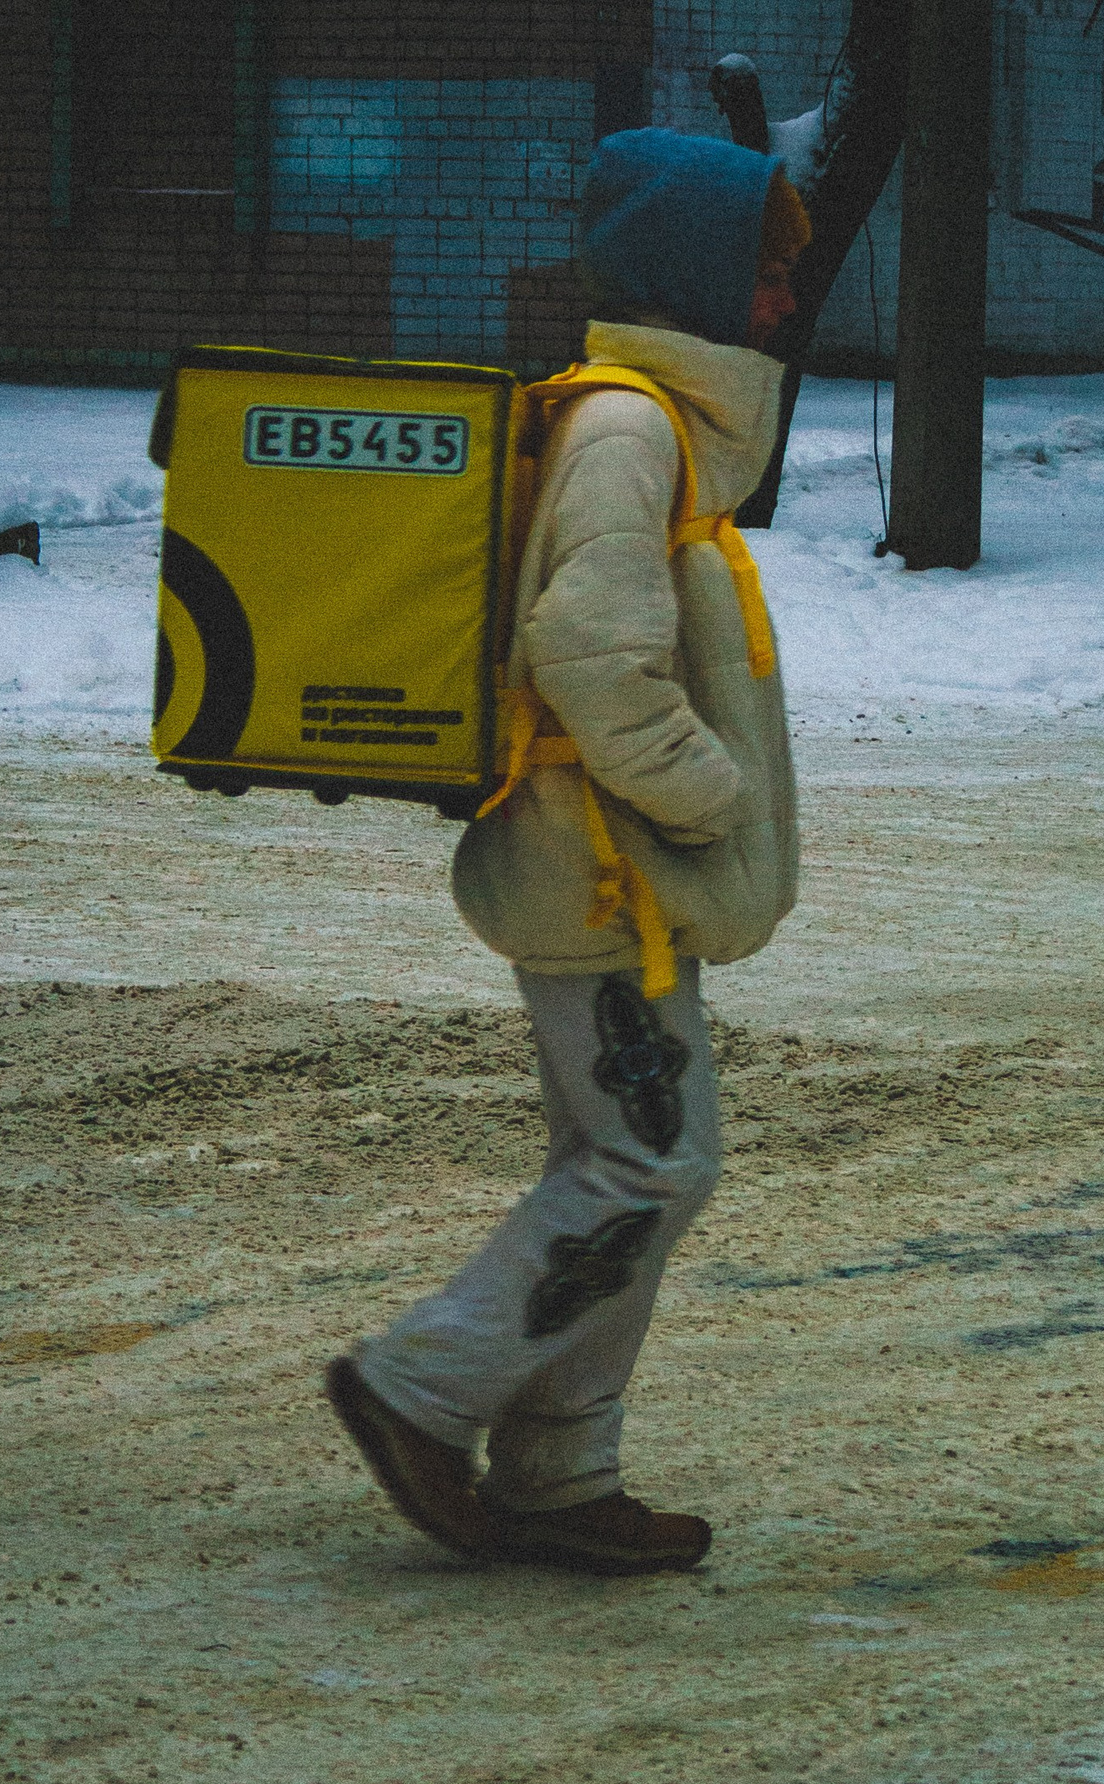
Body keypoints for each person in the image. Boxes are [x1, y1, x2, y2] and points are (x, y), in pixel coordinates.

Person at [325, 128, 810, 1578]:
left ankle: (558, 1472)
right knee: (654, 1162)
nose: (787, 300)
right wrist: (706, 796)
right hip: (605, 870)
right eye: (770, 271)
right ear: (702, 276)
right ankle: (421, 1387)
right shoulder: (632, 430)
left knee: (625, 1155)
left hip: (607, 870)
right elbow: (591, 648)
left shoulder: (650, 421)